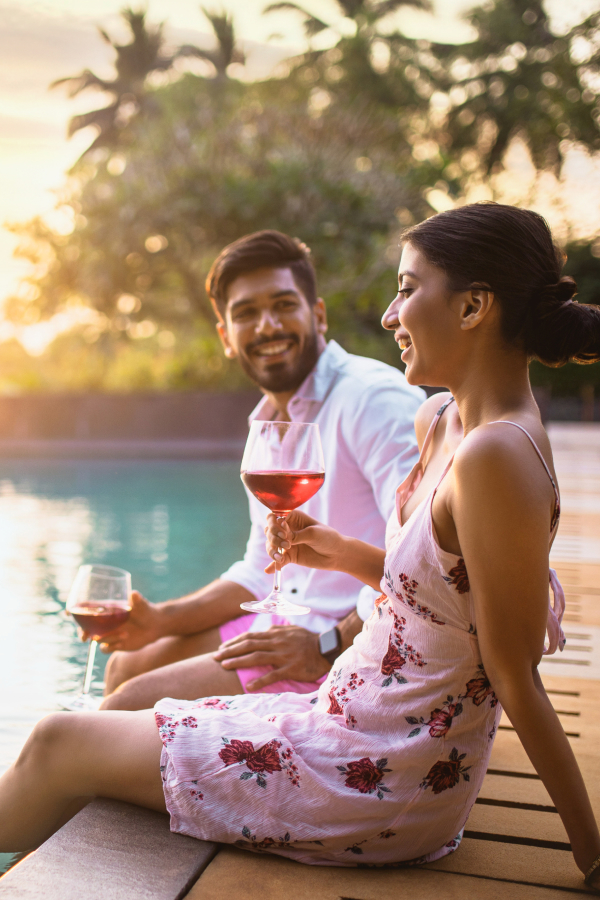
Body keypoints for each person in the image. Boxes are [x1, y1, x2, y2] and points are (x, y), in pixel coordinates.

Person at [2, 202, 600, 890]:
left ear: (472, 307)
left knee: (58, 740)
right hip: (344, 720)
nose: (387, 315)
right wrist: (344, 553)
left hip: (378, 777)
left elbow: (512, 670)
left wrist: (590, 851)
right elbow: (442, 594)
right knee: (93, 724)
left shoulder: (495, 454)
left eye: (407, 289)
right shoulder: (443, 421)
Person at [100, 230, 424, 710]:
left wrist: (327, 644)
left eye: (283, 305)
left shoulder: (372, 398)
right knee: (128, 663)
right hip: (292, 625)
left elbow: (425, 562)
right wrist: (162, 619)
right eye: (246, 313)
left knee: (127, 704)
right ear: (226, 337)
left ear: (317, 315)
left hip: (353, 644)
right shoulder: (267, 423)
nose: (267, 326)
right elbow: (260, 570)